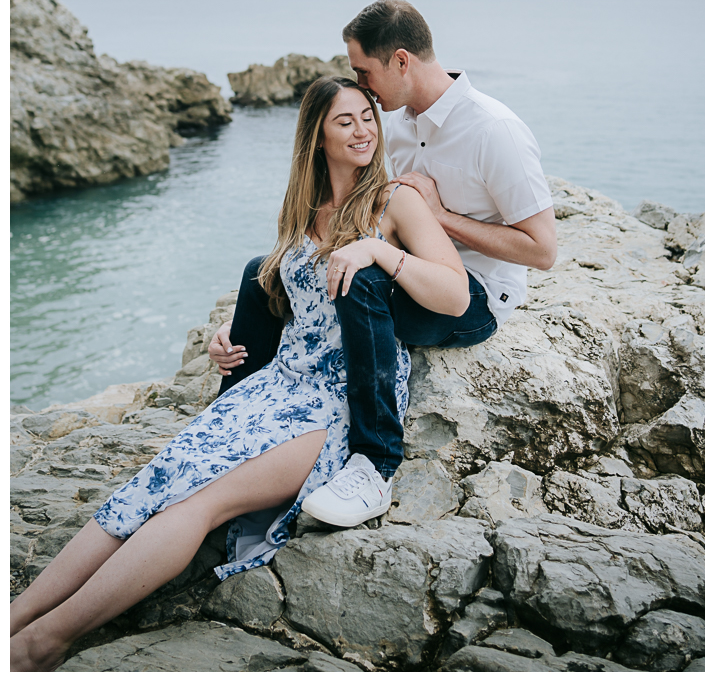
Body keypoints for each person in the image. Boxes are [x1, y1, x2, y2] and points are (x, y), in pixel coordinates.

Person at [10, 76, 469, 673]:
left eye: (368, 117)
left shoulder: (393, 202)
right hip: (273, 386)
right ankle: (16, 617)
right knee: (151, 482)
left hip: (334, 403)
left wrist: (380, 251)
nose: (363, 131)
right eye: (345, 121)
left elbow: (455, 295)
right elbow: (290, 305)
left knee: (198, 503)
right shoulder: (303, 212)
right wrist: (228, 338)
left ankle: (45, 641)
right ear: (316, 139)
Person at [210, 0, 556, 527]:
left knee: (363, 279)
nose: (362, 86)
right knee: (262, 274)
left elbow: (542, 250)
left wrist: (443, 218)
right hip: (401, 269)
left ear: (400, 61)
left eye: (363, 72)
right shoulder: (391, 123)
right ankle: (227, 423)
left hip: (471, 295)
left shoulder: (493, 130)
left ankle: (375, 465)